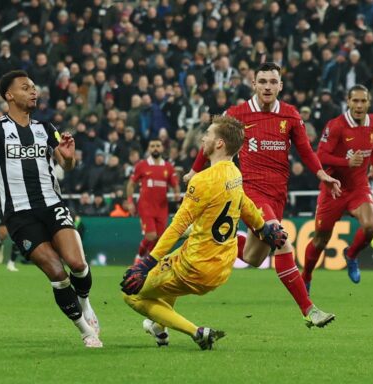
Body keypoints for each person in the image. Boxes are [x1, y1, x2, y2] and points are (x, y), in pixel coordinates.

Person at [182, 62, 338, 327]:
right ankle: (309, 310)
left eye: (272, 82)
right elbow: (211, 139)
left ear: (280, 85)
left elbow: (305, 149)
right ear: (254, 84)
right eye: (262, 81)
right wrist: (194, 170)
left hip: (278, 194)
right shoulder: (238, 113)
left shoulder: (290, 115)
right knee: (281, 240)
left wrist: (321, 173)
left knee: (255, 257)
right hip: (251, 190)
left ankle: (208, 232)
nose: (267, 87)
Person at [121, 116, 288, 349]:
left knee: (131, 293)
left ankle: (197, 332)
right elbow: (245, 204)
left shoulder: (202, 180)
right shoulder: (235, 173)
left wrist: (146, 263)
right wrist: (263, 229)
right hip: (220, 269)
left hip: (193, 266)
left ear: (219, 143)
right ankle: (159, 328)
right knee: (174, 263)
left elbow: (177, 226)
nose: (203, 138)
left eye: (208, 134)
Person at [0, 71, 102, 348]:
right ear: (9, 95)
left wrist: (68, 158)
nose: (33, 92)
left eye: (34, 88)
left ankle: (86, 304)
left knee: (77, 263)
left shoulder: (46, 128)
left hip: (52, 205)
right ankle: (85, 330)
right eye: (26, 87)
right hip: (19, 215)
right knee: (56, 272)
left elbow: (66, 165)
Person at [302, 85, 373, 288]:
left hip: (358, 187)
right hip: (333, 189)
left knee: (371, 226)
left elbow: (370, 143)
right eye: (355, 100)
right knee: (320, 241)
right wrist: (347, 162)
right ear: (348, 102)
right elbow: (320, 156)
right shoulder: (336, 126)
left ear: (369, 103)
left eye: (363, 101)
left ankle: (351, 255)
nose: (359, 105)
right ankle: (306, 277)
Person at [127, 139, 180, 260]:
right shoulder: (142, 165)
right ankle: (139, 256)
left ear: (162, 148)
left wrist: (177, 193)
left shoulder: (168, 167)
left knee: (159, 238)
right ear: (149, 149)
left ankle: (148, 263)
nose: (155, 148)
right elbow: (131, 184)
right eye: (152, 146)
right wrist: (130, 202)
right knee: (151, 236)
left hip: (162, 207)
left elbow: (175, 184)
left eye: (157, 146)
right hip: (146, 206)